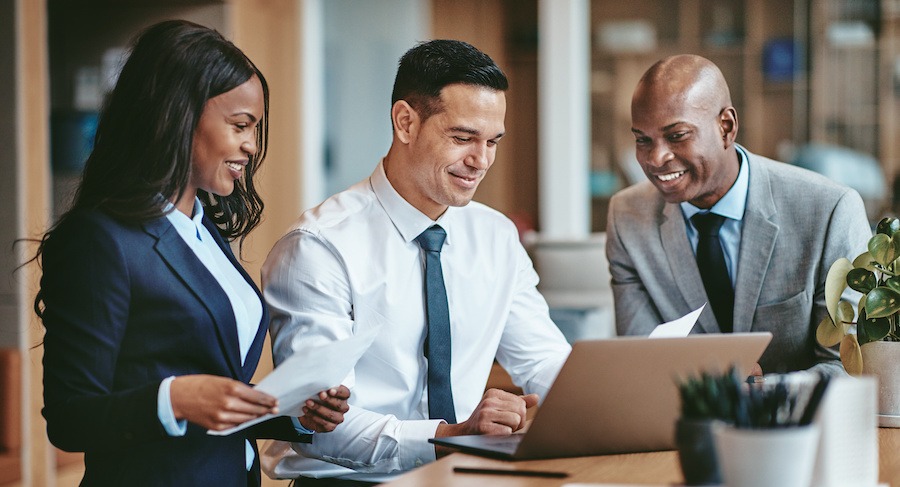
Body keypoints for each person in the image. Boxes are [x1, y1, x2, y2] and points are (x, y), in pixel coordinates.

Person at [34, 20, 350, 487]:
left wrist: (293, 414)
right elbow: (69, 416)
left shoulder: (203, 231)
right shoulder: (101, 240)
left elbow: (214, 404)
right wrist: (174, 398)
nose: (251, 145)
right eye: (240, 125)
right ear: (178, 115)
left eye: (255, 129)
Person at [260, 39, 572, 485]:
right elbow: (322, 428)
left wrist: (595, 401)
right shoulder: (318, 247)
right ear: (406, 122)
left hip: (465, 476)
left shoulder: (497, 237)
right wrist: (451, 435)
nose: (480, 161)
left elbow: (542, 361)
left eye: (492, 142)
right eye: (462, 138)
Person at [607, 54, 871, 376]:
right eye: (643, 140)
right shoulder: (627, 217)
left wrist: (763, 394)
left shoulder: (829, 211)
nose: (656, 157)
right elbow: (641, 362)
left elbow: (847, 367)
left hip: (799, 423)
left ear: (726, 127)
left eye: (677, 136)